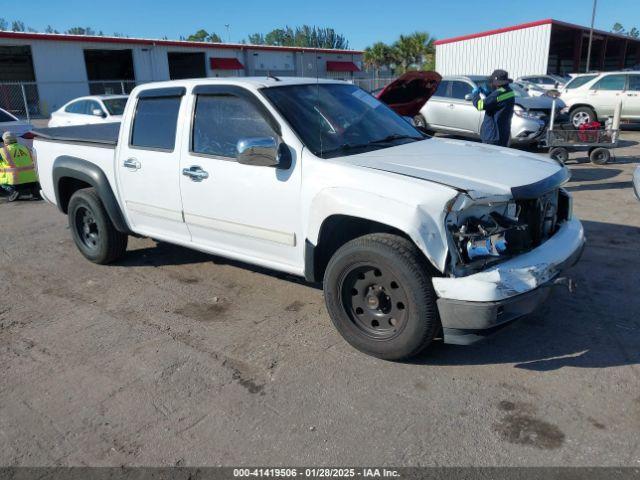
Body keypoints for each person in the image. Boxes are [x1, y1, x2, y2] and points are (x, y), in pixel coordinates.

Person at [471, 69, 515, 147]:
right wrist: (489, 94)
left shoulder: (497, 94)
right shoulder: (509, 92)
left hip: (492, 135)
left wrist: (475, 94)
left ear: (496, 84)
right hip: (503, 134)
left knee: (489, 158)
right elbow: (497, 102)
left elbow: (480, 105)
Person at [0, 131, 39, 202]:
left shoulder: (3, 151)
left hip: (15, 181)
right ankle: (34, 191)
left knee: (3, 179)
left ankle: (14, 191)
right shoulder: (25, 148)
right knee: (30, 182)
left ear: (5, 141)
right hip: (32, 179)